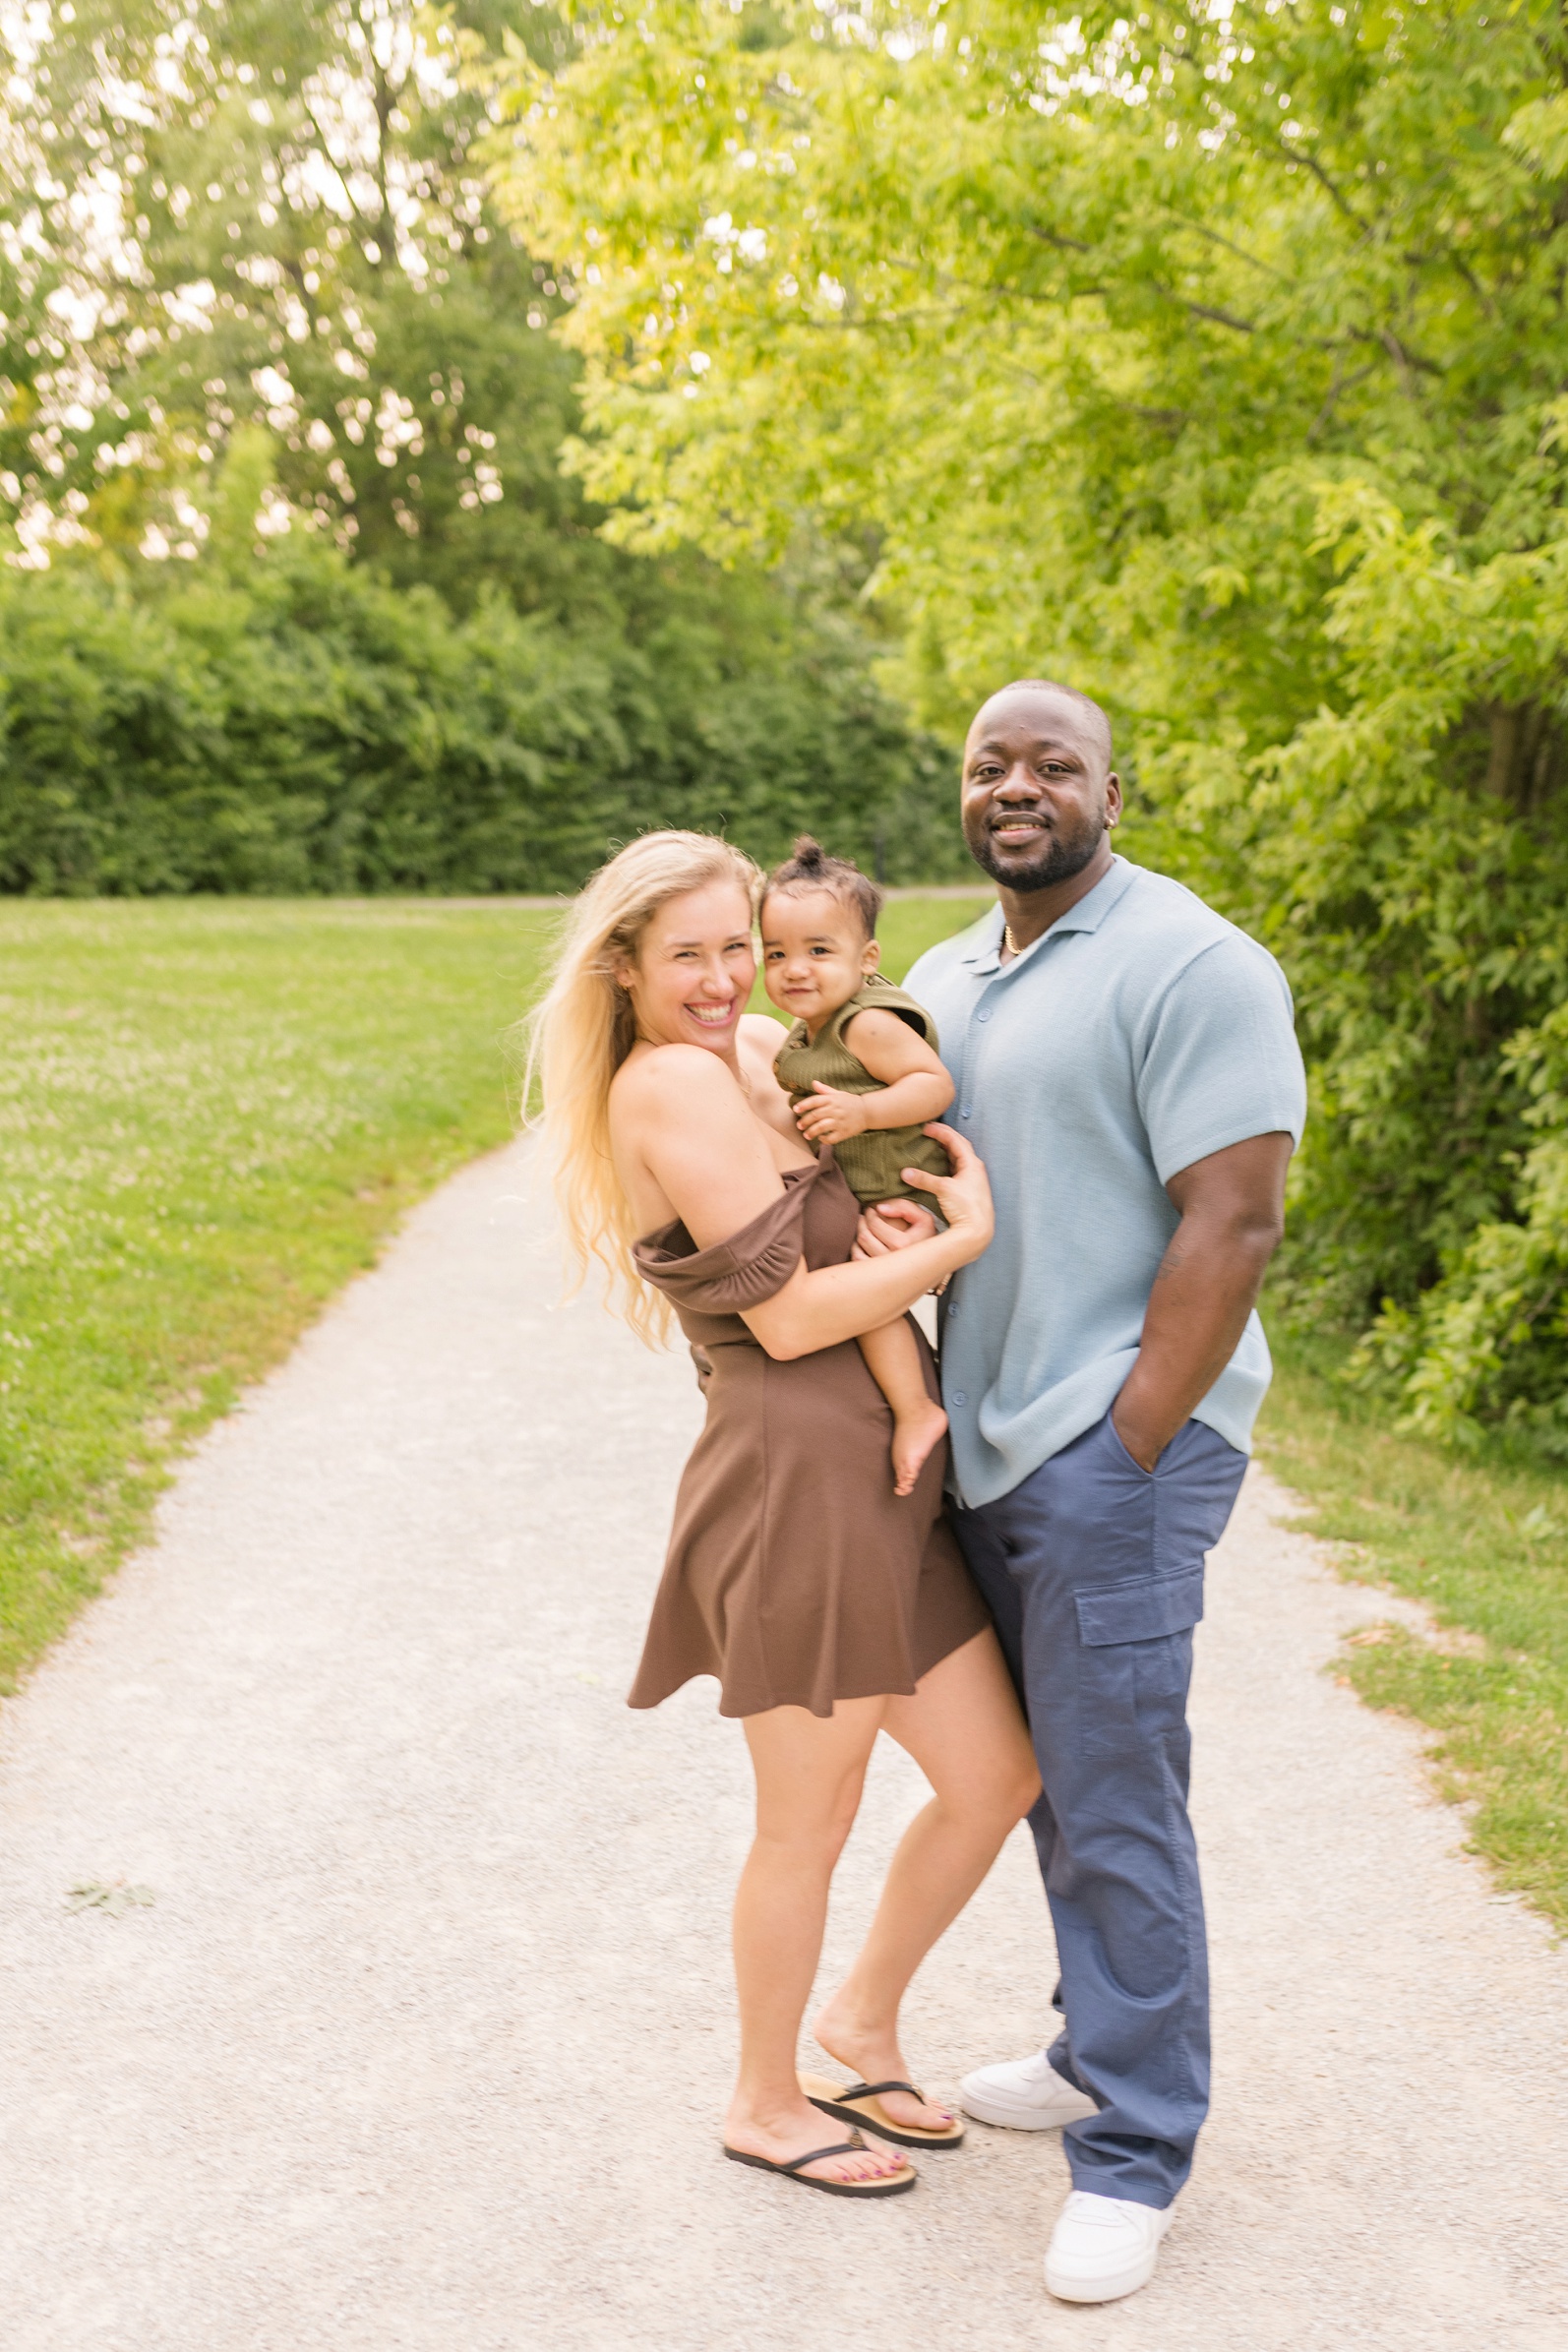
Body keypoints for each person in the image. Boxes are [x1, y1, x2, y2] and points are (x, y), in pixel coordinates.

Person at [864, 680, 1307, 2302]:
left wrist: (1124, 1438)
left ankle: (1132, 2149)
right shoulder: (940, 979)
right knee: (1054, 1770)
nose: (1016, 785)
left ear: (1112, 794)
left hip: (1115, 1447)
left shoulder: (1192, 963)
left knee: (1113, 1789)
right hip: (987, 1442)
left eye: (1052, 764)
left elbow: (1233, 1217)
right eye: (988, 763)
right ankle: (1087, 2044)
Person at [529, 828, 1041, 2200]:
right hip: (795, 1479)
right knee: (808, 1818)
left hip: (883, 1473)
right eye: (684, 955)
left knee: (995, 1776)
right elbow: (793, 1315)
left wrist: (909, 1219)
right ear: (624, 966)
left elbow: (869, 1155)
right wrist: (959, 1242)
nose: (719, 979)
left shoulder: (759, 1049)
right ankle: (762, 2099)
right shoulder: (667, 1086)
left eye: (734, 948)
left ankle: (858, 2022)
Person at [760, 834, 954, 1496]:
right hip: (861, 1192)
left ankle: (916, 1409)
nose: (795, 969)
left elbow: (933, 1085)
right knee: (838, 1283)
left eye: (819, 951)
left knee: (860, 1293)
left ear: (866, 959)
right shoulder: (806, 1031)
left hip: (903, 1190)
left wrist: (865, 1112)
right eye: (776, 953)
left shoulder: (866, 1024)